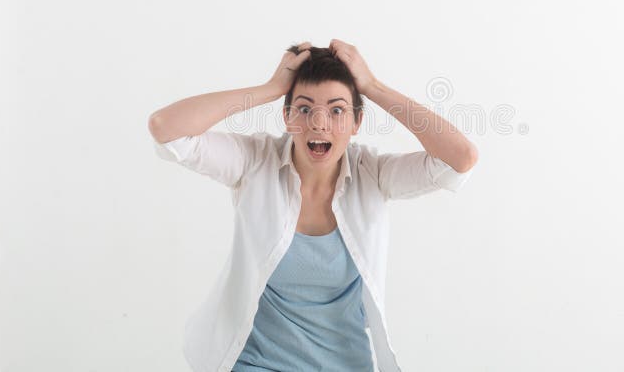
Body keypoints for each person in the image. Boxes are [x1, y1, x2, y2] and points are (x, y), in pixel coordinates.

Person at [149, 39, 478, 372]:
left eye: (337, 110)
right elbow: (166, 129)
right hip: (256, 364)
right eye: (304, 109)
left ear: (356, 123)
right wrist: (271, 88)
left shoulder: (374, 175)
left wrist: (373, 86)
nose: (319, 123)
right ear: (288, 117)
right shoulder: (254, 162)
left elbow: (460, 159)